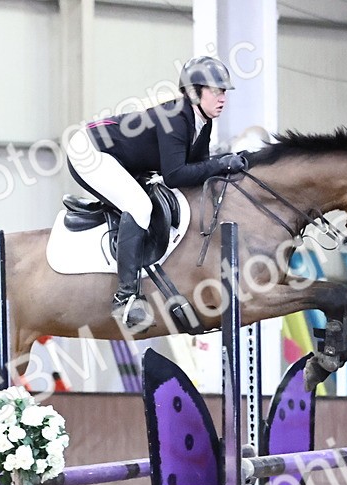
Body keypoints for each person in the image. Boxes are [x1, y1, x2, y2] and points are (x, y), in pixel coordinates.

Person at [65, 56, 248, 328]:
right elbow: (175, 176)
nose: (223, 98)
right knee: (139, 206)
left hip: (117, 156)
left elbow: (197, 170)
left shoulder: (201, 121)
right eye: (216, 91)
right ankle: (125, 298)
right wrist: (220, 163)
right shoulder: (175, 117)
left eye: (224, 92)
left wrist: (225, 165)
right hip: (89, 151)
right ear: (194, 92)